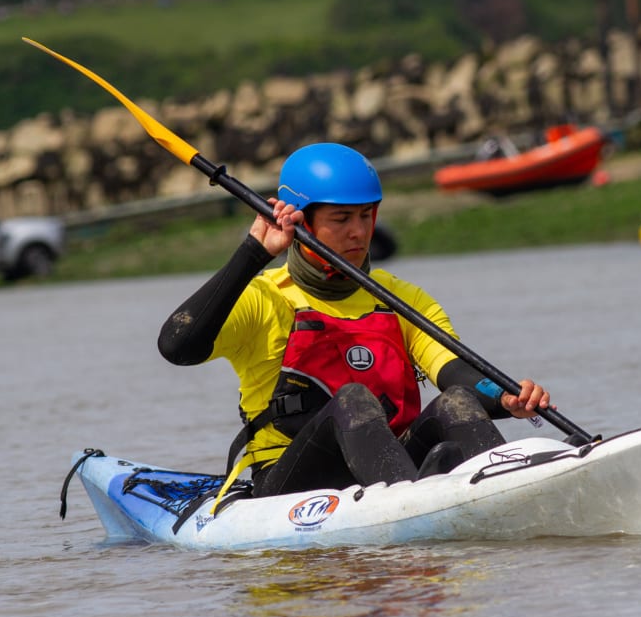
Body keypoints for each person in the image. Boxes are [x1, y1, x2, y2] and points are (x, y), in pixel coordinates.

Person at [157, 142, 551, 505]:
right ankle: (415, 502)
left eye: (366, 215)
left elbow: (454, 371)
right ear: (303, 222)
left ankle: (518, 495)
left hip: (388, 465)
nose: (359, 232)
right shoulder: (264, 298)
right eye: (341, 218)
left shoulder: (401, 299)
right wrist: (252, 253)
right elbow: (177, 347)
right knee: (352, 398)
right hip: (288, 482)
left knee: (458, 403)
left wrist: (504, 396)